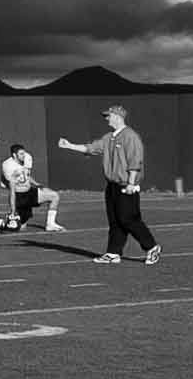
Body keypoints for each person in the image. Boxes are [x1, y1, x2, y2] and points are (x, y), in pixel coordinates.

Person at [59, 105, 159, 265]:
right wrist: (70, 145)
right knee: (114, 220)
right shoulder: (109, 137)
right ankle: (113, 253)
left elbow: (135, 160)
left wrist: (131, 183)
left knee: (129, 219)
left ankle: (152, 247)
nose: (106, 119)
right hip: (112, 186)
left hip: (127, 185)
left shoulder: (130, 136)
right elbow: (91, 148)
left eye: (109, 116)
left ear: (118, 117)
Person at [1, 142, 64, 232]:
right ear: (14, 155)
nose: (24, 156)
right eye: (21, 154)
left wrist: (36, 184)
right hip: (19, 197)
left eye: (24, 153)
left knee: (54, 196)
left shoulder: (27, 158)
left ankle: (50, 224)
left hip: (30, 192)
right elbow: (12, 191)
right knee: (20, 227)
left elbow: (27, 176)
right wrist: (13, 210)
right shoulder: (8, 166)